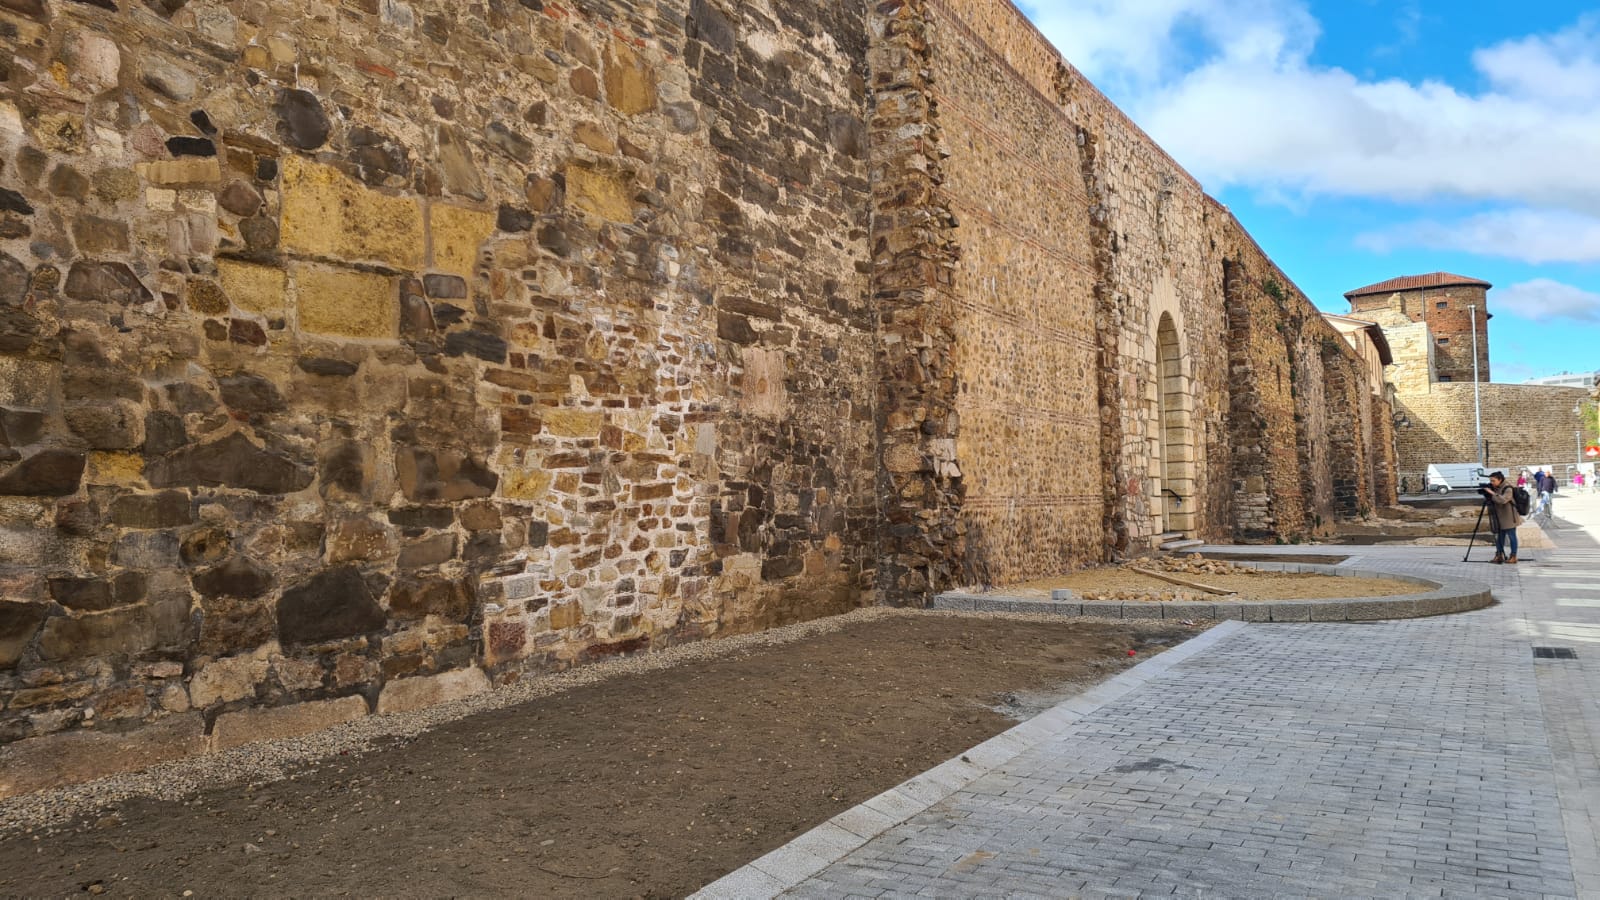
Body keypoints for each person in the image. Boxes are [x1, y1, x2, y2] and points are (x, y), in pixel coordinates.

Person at [1482, 471, 1522, 564]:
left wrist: (1492, 493)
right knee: (1500, 537)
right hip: (1500, 517)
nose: (1492, 483)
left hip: (1509, 517)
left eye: (1493, 481)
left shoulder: (1508, 488)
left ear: (1500, 480)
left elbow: (1503, 500)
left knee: (1512, 536)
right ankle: (1499, 555)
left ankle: (1513, 556)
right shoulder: (1497, 487)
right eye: (1490, 481)